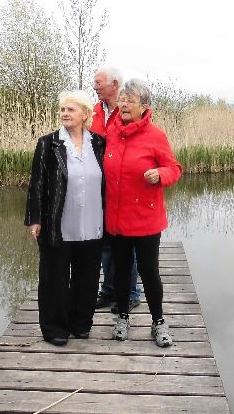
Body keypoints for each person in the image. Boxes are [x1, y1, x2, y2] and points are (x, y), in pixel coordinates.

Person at [105, 78, 183, 348]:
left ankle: (158, 321)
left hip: (146, 219)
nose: (124, 104)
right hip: (117, 218)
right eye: (122, 99)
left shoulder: (155, 135)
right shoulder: (112, 132)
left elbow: (174, 169)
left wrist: (159, 174)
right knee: (121, 271)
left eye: (131, 100)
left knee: (149, 272)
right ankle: (123, 318)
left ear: (144, 106)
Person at [25, 91, 106, 346]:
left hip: (92, 220)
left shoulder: (99, 143)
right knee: (54, 278)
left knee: (88, 277)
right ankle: (55, 328)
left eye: (71, 110)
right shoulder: (48, 143)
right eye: (62, 109)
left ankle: (81, 323)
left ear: (85, 114)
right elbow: (37, 184)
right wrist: (35, 219)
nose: (65, 114)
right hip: (57, 222)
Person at [90, 66, 142, 313]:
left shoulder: (127, 111)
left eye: (99, 82)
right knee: (105, 242)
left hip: (123, 186)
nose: (95, 87)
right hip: (99, 186)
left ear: (114, 84)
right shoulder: (94, 112)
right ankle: (109, 290)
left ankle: (131, 293)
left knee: (126, 242)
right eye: (94, 83)